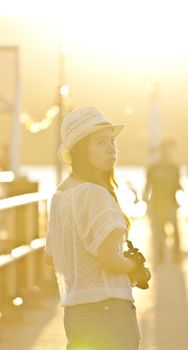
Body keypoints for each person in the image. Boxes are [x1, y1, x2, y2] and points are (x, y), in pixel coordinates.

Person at [45, 106, 148, 350]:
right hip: (110, 314)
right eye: (100, 142)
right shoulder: (95, 194)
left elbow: (50, 257)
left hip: (75, 315)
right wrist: (135, 266)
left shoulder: (60, 196)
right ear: (80, 149)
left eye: (112, 141)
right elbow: (109, 261)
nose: (111, 148)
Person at [144, 139, 181, 263]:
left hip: (171, 202)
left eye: (167, 150)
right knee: (159, 230)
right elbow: (147, 184)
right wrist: (144, 197)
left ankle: (176, 254)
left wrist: (181, 197)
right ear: (160, 152)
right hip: (157, 203)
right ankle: (160, 254)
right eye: (163, 151)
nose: (165, 153)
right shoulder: (153, 167)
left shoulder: (174, 167)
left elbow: (178, 184)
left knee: (175, 229)